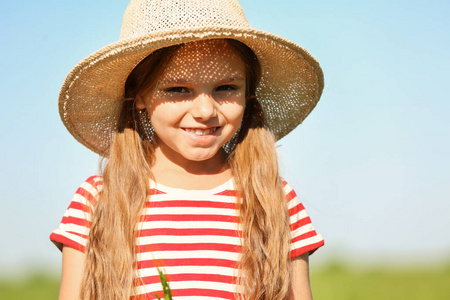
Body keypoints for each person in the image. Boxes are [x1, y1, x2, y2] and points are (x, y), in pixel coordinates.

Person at [50, 0, 325, 299]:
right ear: (138, 94)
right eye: (178, 90)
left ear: (248, 94)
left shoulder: (274, 201)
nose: (206, 110)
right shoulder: (99, 201)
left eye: (226, 88)